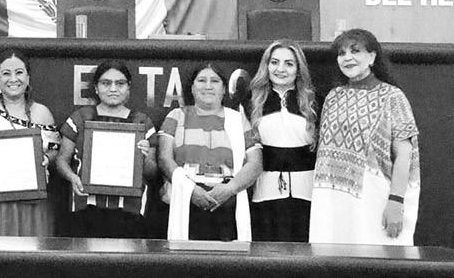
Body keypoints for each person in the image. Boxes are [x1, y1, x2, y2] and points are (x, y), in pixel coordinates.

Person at [309, 28, 420, 245]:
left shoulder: (392, 97)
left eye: (355, 51)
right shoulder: (333, 97)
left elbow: (405, 154)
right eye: (342, 53)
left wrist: (396, 201)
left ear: (372, 57)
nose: (347, 57)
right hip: (331, 202)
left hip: (374, 201)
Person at [158, 64, 261, 241]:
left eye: (214, 81)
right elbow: (164, 158)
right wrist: (191, 191)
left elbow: (255, 163)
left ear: (224, 89)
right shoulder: (176, 116)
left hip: (227, 205)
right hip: (184, 203)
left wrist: (229, 189)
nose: (208, 86)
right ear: (192, 88)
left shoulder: (238, 120)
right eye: (201, 80)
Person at [54, 60, 157, 238]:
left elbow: (152, 172)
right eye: (106, 83)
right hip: (85, 207)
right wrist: (72, 177)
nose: (113, 89)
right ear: (96, 87)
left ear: (129, 87)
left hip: (129, 210)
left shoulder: (142, 122)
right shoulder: (80, 118)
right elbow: (62, 160)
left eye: (120, 83)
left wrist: (145, 156)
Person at [0, 49, 59, 236]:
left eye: (19, 72)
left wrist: (47, 159)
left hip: (34, 201)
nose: (13, 79)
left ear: (28, 78)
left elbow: (54, 149)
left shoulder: (42, 113)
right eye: (6, 73)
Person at [246, 40, 317, 242]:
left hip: (307, 193)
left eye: (289, 64)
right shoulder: (250, 101)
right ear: (266, 66)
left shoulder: (315, 102)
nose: (281, 69)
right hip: (264, 192)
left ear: (298, 69)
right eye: (275, 62)